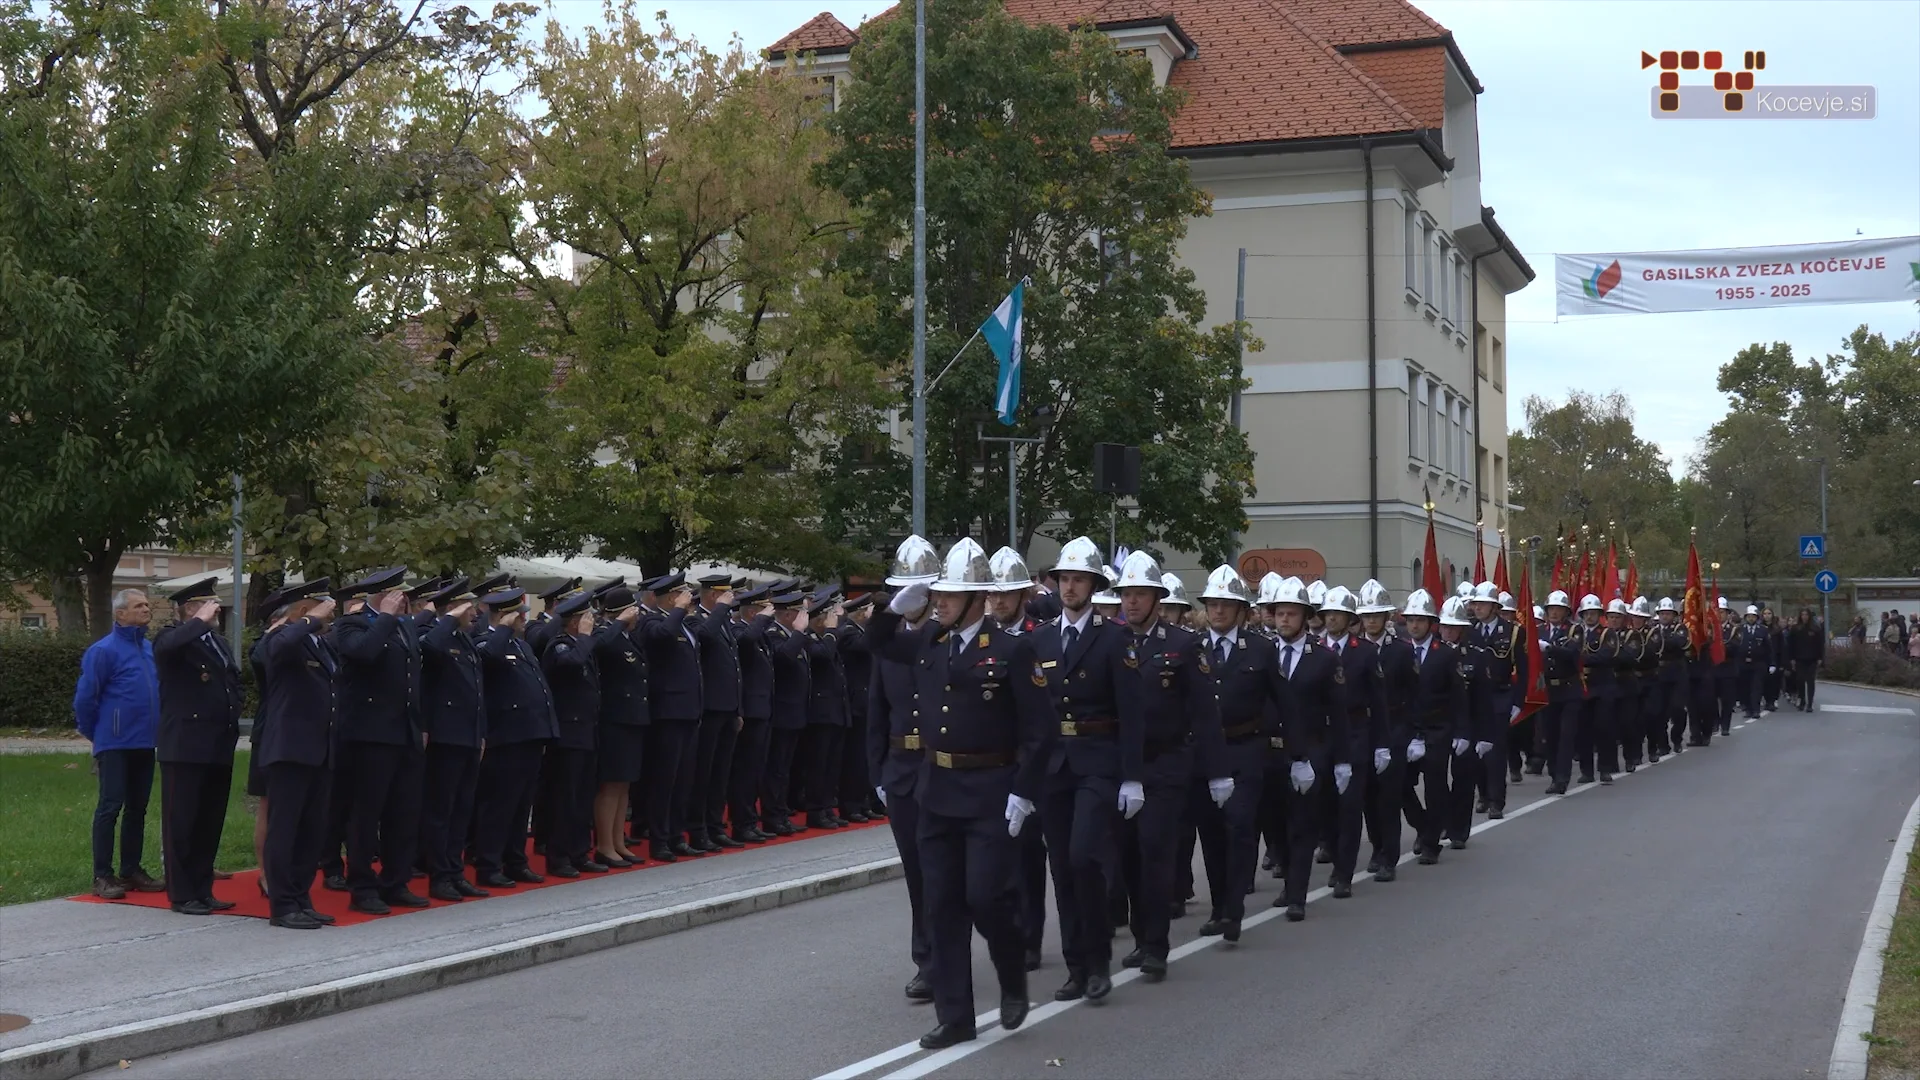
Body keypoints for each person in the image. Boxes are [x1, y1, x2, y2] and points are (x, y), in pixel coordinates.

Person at [869, 538, 1054, 1051]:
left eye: (950, 595)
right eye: (937, 594)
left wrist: (1023, 792)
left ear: (978, 600)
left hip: (992, 791)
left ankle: (1012, 971)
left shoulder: (1014, 649)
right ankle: (956, 1016)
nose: (939, 600)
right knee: (942, 906)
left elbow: (1040, 731)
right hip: (937, 790)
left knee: (985, 898)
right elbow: (879, 644)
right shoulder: (930, 641)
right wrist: (894, 609)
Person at [1027, 537, 1141, 1003]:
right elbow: (1033, 715)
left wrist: (1132, 775)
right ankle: (1077, 967)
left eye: (1077, 579)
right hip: (1055, 766)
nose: (1069, 587)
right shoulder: (1039, 638)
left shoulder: (1114, 637)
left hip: (1098, 761)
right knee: (1061, 868)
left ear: (1093, 585)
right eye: (1063, 579)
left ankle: (1097, 961)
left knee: (1082, 858)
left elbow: (1133, 712)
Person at [866, 535, 940, 1005]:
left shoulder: (945, 637)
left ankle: (949, 952)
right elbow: (876, 711)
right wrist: (877, 771)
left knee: (944, 870)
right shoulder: (890, 644)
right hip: (900, 768)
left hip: (942, 768)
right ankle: (927, 962)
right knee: (917, 871)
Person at [1193, 565, 1281, 931]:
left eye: (1226, 604)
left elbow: (1281, 701)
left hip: (1246, 748)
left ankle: (1234, 905)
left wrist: (1293, 753)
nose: (1218, 611)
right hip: (1203, 754)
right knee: (1212, 833)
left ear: (1242, 611)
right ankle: (1218, 906)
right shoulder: (1191, 648)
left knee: (1240, 826)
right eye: (1213, 604)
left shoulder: (1261, 650)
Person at [151, 578, 245, 916]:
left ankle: (203, 889)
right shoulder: (171, 638)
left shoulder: (214, 641)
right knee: (183, 822)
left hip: (217, 743)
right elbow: (166, 649)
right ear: (191, 609)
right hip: (186, 745)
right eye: (209, 604)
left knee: (208, 822)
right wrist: (196, 621)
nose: (217, 608)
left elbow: (232, 681)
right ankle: (181, 893)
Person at [255, 579, 339, 929]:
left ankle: (301, 897)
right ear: (305, 610)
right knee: (285, 829)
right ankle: (282, 904)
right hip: (290, 748)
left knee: (312, 830)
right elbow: (276, 649)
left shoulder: (318, 644)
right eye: (326, 610)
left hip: (319, 748)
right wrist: (309, 619)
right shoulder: (280, 637)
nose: (332, 617)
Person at [73, 588, 165, 900]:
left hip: (145, 741)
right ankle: (102, 874)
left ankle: (131, 869)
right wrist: (97, 734)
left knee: (137, 808)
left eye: (147, 605)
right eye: (138, 606)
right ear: (120, 613)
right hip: (114, 742)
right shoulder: (104, 651)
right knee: (110, 807)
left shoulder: (150, 649)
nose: (146, 610)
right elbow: (86, 698)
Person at [983, 547, 1048, 974]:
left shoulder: (1039, 636)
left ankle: (1030, 936)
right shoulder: (981, 636)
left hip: (1028, 763)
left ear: (1025, 594)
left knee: (1027, 856)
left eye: (1008, 593)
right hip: (989, 765)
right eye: (994, 594)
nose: (1000, 601)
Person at [469, 586, 560, 888]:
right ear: (504, 615)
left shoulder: (520, 645)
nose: (524, 617)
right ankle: (489, 864)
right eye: (519, 613)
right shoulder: (486, 641)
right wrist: (502, 630)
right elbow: (488, 659)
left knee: (522, 805)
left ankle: (515, 860)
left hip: (530, 735)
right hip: (505, 737)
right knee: (499, 805)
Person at [417, 578, 489, 900]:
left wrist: (482, 731)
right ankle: (439, 875)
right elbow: (428, 647)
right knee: (441, 810)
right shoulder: (437, 636)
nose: (474, 612)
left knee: (462, 808)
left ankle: (455, 870)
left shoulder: (465, 639)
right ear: (454, 608)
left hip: (469, 734)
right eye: (468, 607)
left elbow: (476, 692)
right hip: (446, 736)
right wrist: (446, 617)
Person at [1315, 585, 1386, 891]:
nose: (1331, 619)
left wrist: (1381, 743)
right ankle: (1330, 847)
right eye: (1327, 614)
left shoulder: (1366, 652)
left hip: (1356, 733)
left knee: (1350, 804)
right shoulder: (1313, 648)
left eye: (1338, 614)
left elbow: (1379, 701)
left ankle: (1344, 872)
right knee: (1324, 802)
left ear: (1349, 619)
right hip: (1321, 735)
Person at [1396, 589, 1467, 860]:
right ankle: (1424, 826)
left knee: (1435, 787)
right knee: (1401, 784)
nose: (1414, 625)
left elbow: (1458, 696)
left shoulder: (1445, 655)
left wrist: (1462, 732)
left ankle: (1430, 844)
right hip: (1406, 729)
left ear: (1430, 623)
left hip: (1437, 729)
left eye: (1420, 620)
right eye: (1411, 620)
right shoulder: (1400, 651)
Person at [540, 588, 603, 877]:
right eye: (587, 617)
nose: (591, 622)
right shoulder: (561, 645)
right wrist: (586, 637)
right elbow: (571, 664)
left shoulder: (579, 644)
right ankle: (559, 856)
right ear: (575, 621)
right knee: (565, 798)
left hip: (586, 729)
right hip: (568, 732)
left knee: (582, 797)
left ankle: (579, 851)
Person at [639, 573, 702, 861]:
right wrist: (677, 610)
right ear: (669, 596)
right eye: (683, 593)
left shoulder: (683, 624)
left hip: (688, 710)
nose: (689, 597)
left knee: (683, 779)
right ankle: (659, 839)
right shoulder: (652, 621)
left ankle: (677, 835)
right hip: (667, 712)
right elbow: (661, 637)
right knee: (664, 780)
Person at [589, 584, 651, 865]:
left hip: (632, 717)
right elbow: (599, 648)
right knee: (610, 785)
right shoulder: (606, 634)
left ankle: (618, 841)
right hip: (613, 719)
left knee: (624, 784)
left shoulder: (628, 637)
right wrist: (618, 622)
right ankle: (604, 845)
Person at [689, 575, 744, 853]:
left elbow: (734, 668)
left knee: (721, 773)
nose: (731, 599)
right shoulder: (696, 618)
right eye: (725, 595)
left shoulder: (722, 621)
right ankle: (698, 830)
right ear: (712, 595)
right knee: (704, 773)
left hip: (727, 707)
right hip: (709, 708)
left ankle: (714, 826)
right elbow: (705, 639)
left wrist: (738, 709)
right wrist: (721, 609)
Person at [760, 590, 812, 838]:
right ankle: (773, 816)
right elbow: (783, 659)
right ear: (790, 613)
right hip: (781, 713)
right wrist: (800, 632)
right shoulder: (775, 634)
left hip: (794, 712)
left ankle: (781, 813)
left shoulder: (791, 635)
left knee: (785, 768)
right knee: (776, 768)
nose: (805, 617)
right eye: (801, 612)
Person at [1537, 591, 1584, 794]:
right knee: (1550, 735)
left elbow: (1572, 652)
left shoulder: (1574, 630)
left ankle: (1562, 779)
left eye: (1558, 609)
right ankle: (1554, 773)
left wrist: (1548, 648)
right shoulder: (1540, 631)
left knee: (1566, 735)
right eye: (1551, 609)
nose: (1554, 613)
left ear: (1566, 612)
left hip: (1569, 689)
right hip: (1548, 690)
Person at [1788, 608, 1826, 711]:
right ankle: (1802, 700)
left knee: (1810, 681)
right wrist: (1791, 658)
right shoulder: (1795, 629)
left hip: (1812, 659)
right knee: (1800, 680)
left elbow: (1820, 644)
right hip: (1799, 658)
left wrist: (1820, 658)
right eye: (1802, 615)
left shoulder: (1815, 629)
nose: (1804, 617)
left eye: (1806, 615)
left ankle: (1810, 703)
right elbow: (1790, 645)